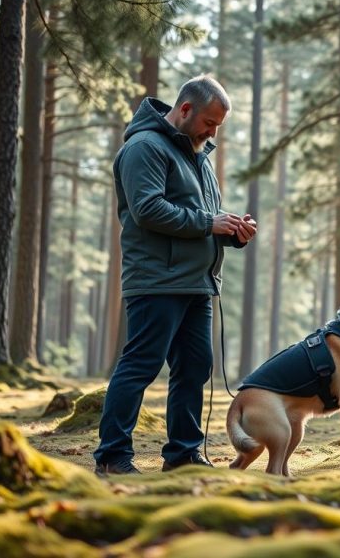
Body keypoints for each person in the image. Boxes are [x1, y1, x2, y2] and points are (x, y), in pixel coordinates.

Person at [93, 75, 257, 476]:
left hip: (196, 283)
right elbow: (148, 210)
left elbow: (204, 219)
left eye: (218, 125)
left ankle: (183, 454)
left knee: (195, 367)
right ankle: (113, 457)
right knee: (141, 365)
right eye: (209, 122)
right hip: (156, 280)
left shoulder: (197, 154)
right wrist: (209, 222)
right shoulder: (144, 147)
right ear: (185, 109)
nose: (213, 131)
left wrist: (234, 232)